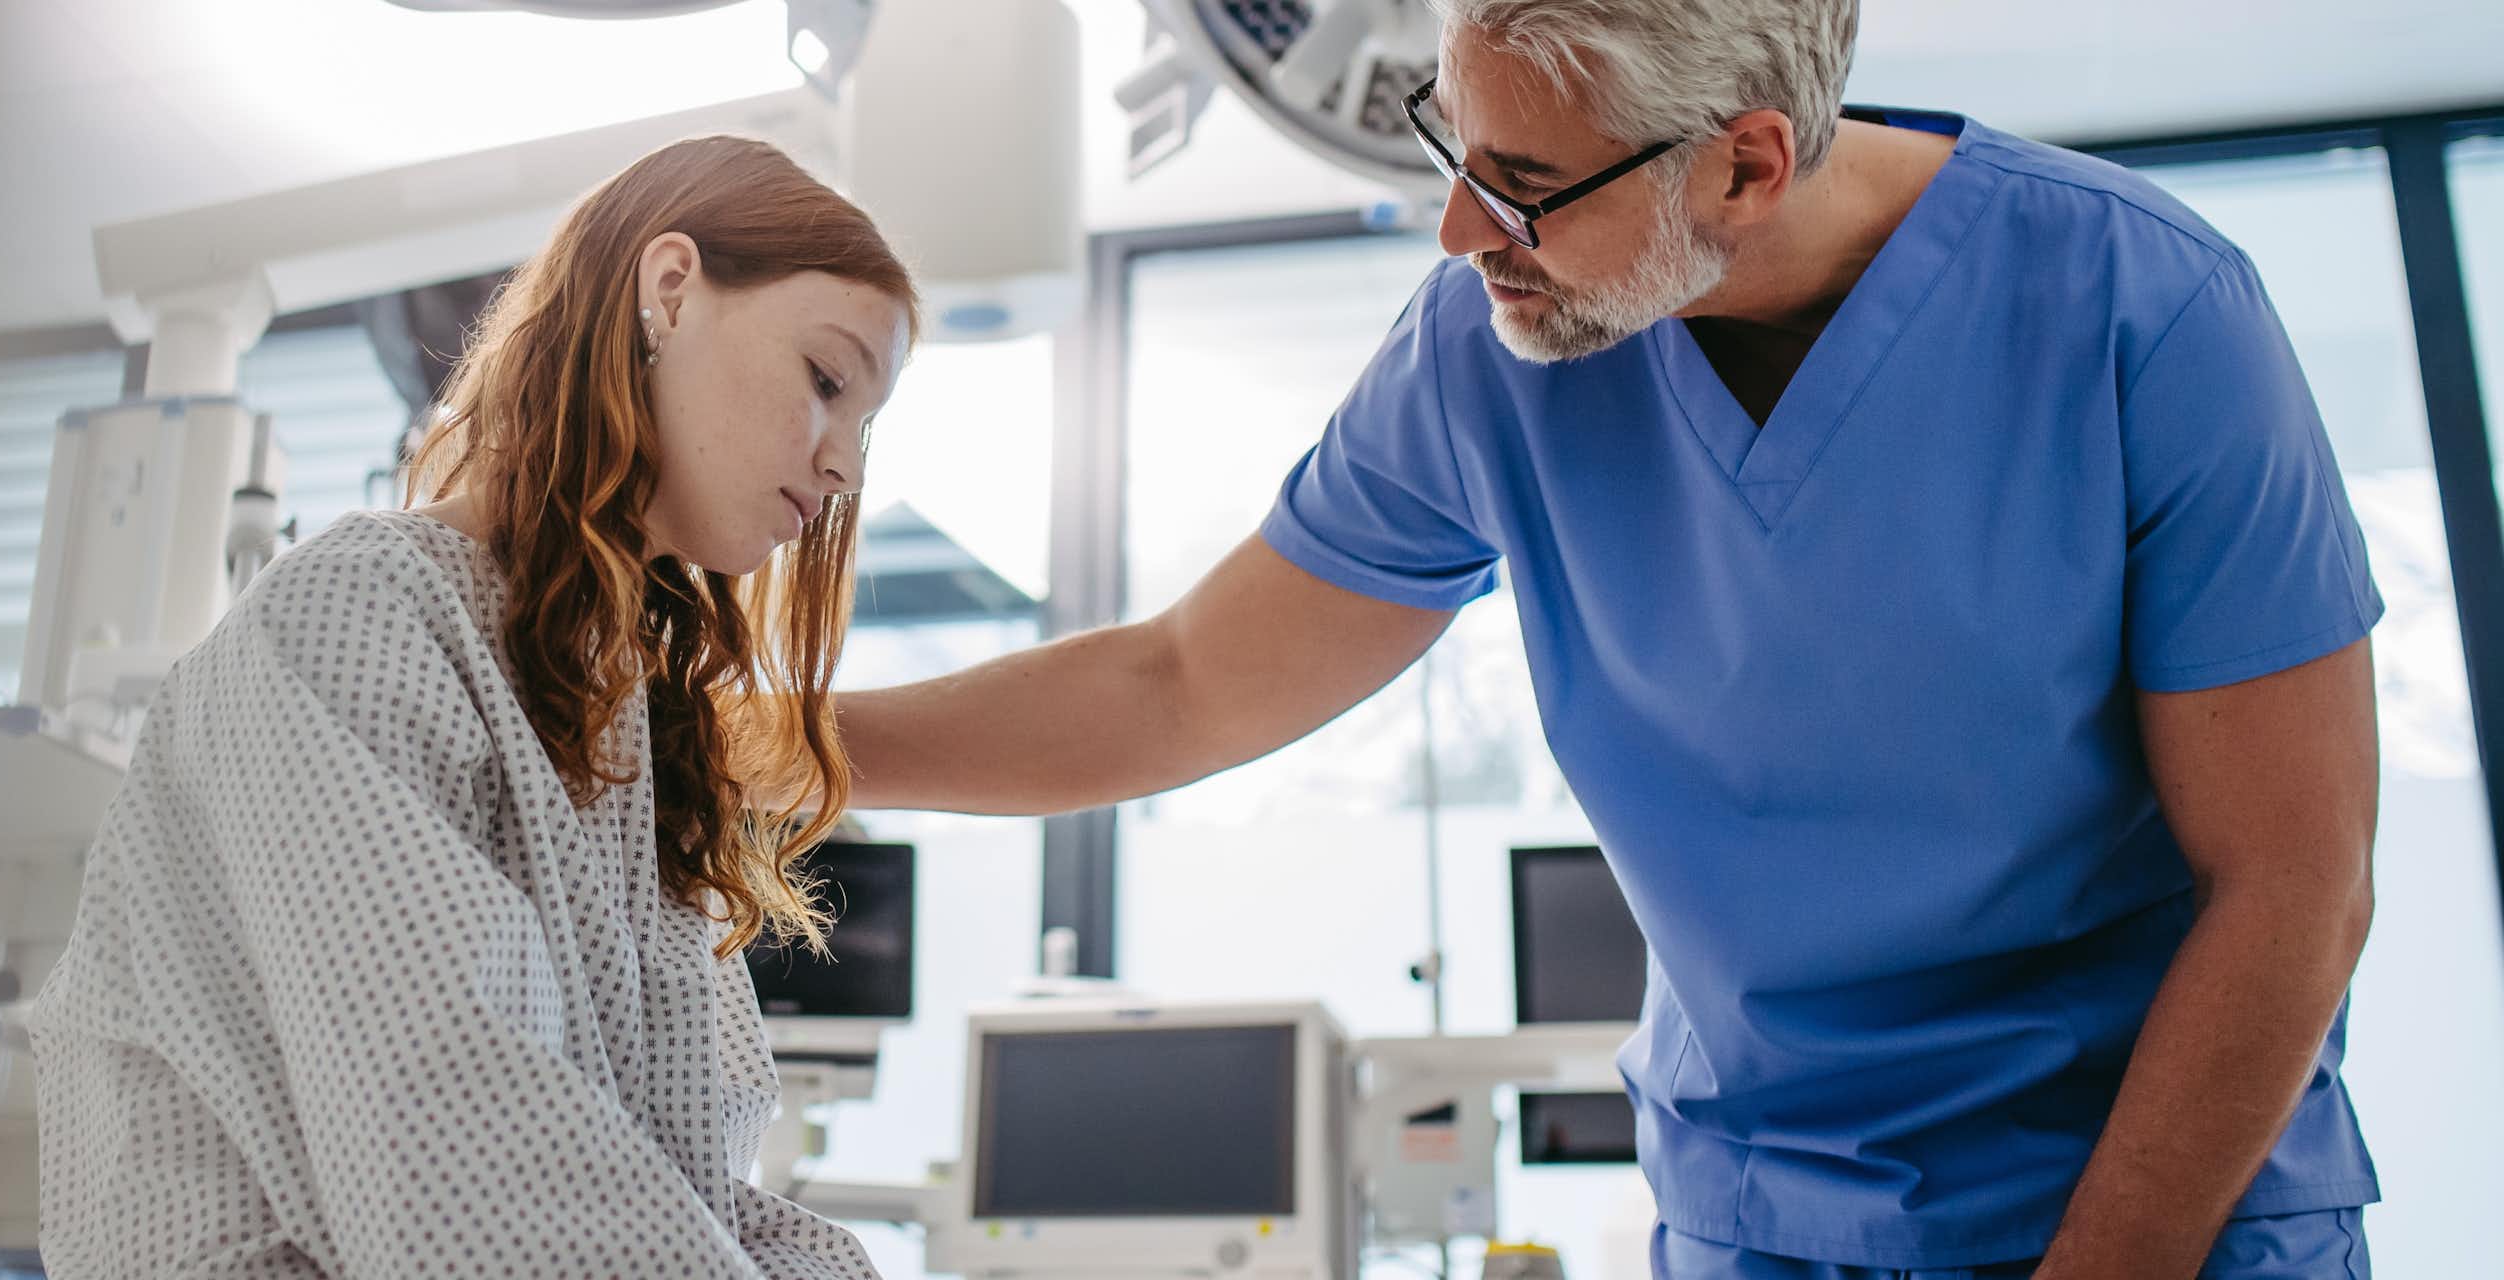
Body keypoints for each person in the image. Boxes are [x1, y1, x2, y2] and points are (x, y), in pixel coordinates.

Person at [831, 3, 2382, 1277]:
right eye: (1452, 143)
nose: (1457, 230)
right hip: (1766, 1209)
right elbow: (1182, 685)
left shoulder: (2140, 308)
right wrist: (783, 749)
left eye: (1521, 180)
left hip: (2158, 1194)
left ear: (1748, 168)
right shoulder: (1487, 357)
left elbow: (2293, 878)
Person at [29, 135, 914, 1279]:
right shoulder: (358, 613)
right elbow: (464, 1157)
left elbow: (691, 1184)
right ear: (672, 289)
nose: (842, 463)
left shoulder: (618, 710)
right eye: (828, 380)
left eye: (865, 427)